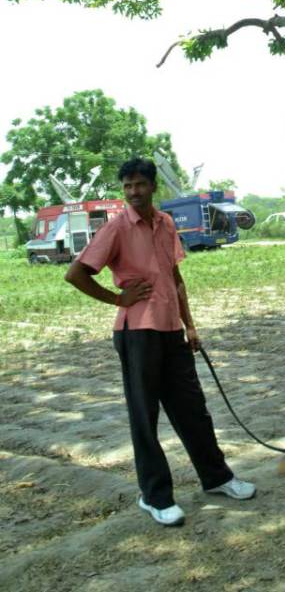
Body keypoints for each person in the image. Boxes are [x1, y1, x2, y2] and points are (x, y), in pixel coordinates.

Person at [65, 157, 256, 527]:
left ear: (153, 186)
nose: (133, 192)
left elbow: (175, 278)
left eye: (139, 184)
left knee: (193, 411)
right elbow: (76, 274)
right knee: (144, 417)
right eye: (127, 186)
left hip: (171, 332)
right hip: (137, 335)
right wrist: (117, 298)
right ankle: (154, 497)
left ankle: (217, 478)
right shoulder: (117, 229)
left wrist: (191, 326)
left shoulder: (167, 223)